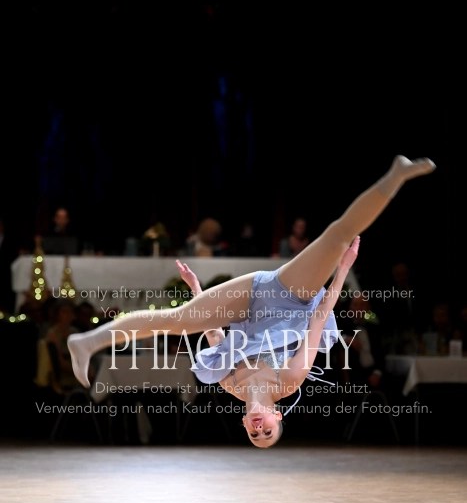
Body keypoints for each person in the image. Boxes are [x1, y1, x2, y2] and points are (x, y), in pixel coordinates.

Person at [67, 155, 436, 447]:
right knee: (338, 236)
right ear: (278, 417)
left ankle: (87, 341)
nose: (260, 428)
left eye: (254, 434)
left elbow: (213, 333)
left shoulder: (228, 383)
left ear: (244, 423)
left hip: (247, 300)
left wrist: (197, 292)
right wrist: (342, 271)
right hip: (290, 297)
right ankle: (396, 176)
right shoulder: (290, 379)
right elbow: (319, 318)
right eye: (268, 432)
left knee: (177, 321)